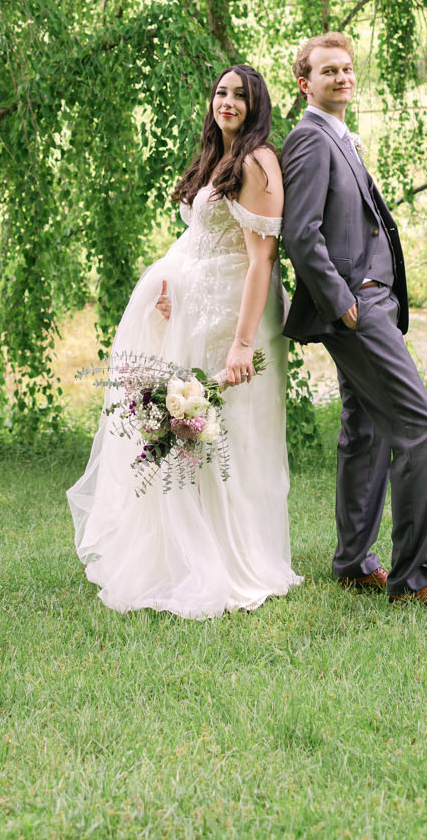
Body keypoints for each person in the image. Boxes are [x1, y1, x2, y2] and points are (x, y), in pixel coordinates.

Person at [67, 64, 301, 618]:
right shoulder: (216, 158)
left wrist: (242, 344)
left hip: (233, 317)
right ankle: (187, 554)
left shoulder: (257, 161)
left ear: (256, 103)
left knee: (230, 433)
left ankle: (236, 557)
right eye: (221, 92)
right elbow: (198, 239)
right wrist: (170, 285)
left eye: (240, 95)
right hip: (196, 309)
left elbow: (261, 258)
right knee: (193, 433)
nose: (228, 102)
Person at [280, 32, 427, 610]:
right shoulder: (309, 139)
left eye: (347, 69)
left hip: (373, 303)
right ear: (306, 83)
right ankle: (415, 577)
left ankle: (351, 562)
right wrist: (342, 301)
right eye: (329, 71)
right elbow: (300, 234)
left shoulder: (339, 136)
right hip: (355, 309)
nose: (342, 77)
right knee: (422, 428)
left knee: (366, 429)